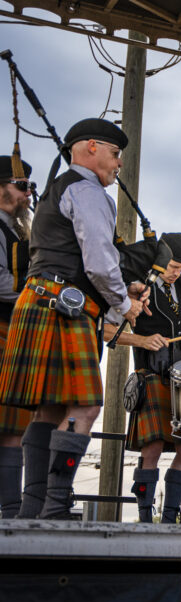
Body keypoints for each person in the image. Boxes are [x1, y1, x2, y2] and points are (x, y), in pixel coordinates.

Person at [0, 118, 147, 519]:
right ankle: (56, 504)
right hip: (61, 306)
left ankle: (34, 507)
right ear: (91, 147)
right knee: (85, 407)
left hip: (40, 298)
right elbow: (99, 262)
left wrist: (123, 289)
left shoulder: (56, 189)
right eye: (116, 154)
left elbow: (80, 259)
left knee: (49, 410)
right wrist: (124, 304)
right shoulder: (87, 191)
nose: (119, 164)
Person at [112, 233, 181, 523]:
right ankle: (145, 517)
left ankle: (171, 518)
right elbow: (107, 331)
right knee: (153, 446)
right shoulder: (135, 285)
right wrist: (142, 340)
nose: (176, 273)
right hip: (152, 375)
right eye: (173, 266)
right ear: (161, 259)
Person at [0, 155, 37, 517]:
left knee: (13, 428)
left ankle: (12, 510)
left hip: (13, 333)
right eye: (22, 186)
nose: (28, 194)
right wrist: (39, 291)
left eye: (30, 187)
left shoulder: (16, 232)